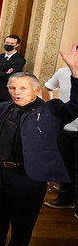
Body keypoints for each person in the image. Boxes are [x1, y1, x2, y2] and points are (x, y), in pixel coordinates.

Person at [0, 47, 78, 246]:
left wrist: (75, 72)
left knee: (22, 223)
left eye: (22, 88)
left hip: (29, 177)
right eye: (12, 88)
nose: (16, 92)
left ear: (36, 90)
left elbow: (76, 106)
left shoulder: (52, 111)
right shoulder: (0, 108)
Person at [42, 66, 78, 213]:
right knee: (65, 166)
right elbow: (47, 88)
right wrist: (51, 110)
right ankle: (65, 199)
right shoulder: (63, 72)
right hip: (64, 127)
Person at [0, 34, 26, 103]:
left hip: (5, 93)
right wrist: (4, 73)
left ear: (17, 45)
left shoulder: (19, 59)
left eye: (12, 43)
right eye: (7, 43)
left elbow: (10, 76)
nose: (9, 45)